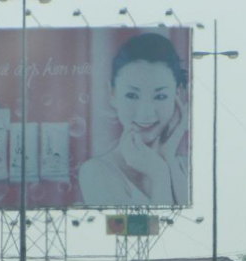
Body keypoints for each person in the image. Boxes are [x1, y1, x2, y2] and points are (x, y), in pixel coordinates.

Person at [79, 33, 189, 206]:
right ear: (113, 94)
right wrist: (159, 175)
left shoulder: (185, 167)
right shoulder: (96, 171)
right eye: (131, 95)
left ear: (178, 95)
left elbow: (191, 228)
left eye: (160, 96)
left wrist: (167, 158)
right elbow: (161, 227)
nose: (145, 113)